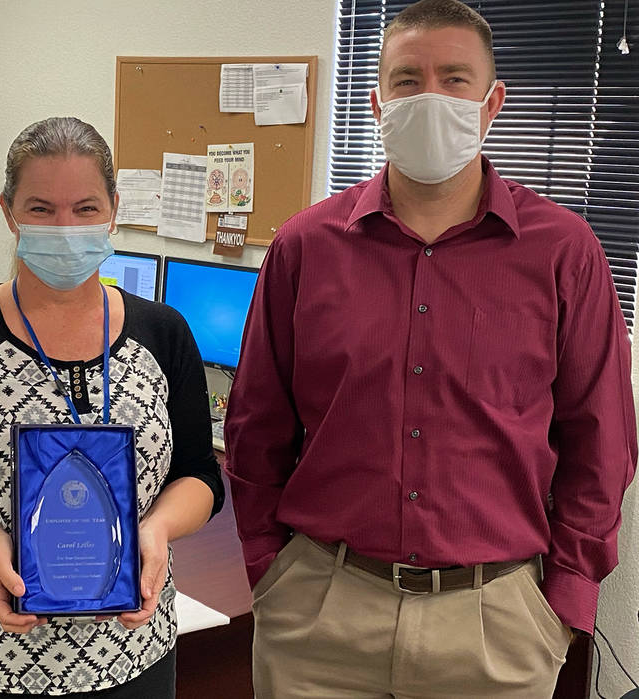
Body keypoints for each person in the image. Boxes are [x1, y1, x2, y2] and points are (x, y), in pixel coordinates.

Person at [225, 1, 637, 696]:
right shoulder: (304, 247)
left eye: (454, 79)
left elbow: (602, 443)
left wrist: (564, 600)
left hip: (494, 623)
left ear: (492, 101)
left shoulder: (566, 253)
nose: (431, 98)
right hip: (321, 617)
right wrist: (270, 564)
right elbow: (254, 423)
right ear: (376, 100)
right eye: (409, 80)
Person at [0, 116, 222, 697]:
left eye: (84, 209)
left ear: (113, 209)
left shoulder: (164, 332)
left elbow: (198, 476)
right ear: (7, 212)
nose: (65, 228)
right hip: (0, 656)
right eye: (40, 209)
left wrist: (155, 530)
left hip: (135, 651)